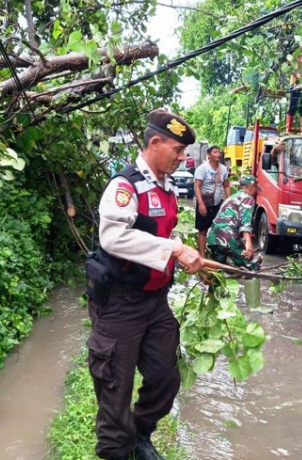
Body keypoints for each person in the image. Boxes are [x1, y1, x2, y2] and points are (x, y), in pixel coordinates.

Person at [85, 109, 204, 460]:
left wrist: (186, 256)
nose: (182, 159)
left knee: (165, 377)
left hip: (155, 302)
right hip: (121, 301)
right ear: (155, 143)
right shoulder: (125, 186)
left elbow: (160, 234)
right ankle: (116, 450)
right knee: (115, 388)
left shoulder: (165, 186)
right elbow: (113, 238)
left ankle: (141, 432)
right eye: (178, 151)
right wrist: (175, 249)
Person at [207, 175, 262, 271]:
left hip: (213, 238)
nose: (256, 191)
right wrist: (248, 243)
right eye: (256, 188)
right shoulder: (248, 198)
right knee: (250, 266)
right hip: (228, 238)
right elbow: (245, 220)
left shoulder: (231, 198)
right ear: (251, 186)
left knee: (218, 272)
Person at [193, 146, 230, 257]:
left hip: (218, 204)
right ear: (209, 155)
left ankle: (217, 255)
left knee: (219, 229)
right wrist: (200, 204)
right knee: (203, 230)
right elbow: (197, 186)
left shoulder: (223, 169)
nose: (218, 154)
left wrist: (229, 202)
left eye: (219, 152)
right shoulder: (202, 169)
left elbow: (226, 186)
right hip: (204, 204)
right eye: (215, 152)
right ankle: (202, 257)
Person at [286, 48, 302, 134]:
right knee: (292, 106)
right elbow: (289, 66)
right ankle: (288, 129)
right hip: (294, 83)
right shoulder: (295, 52)